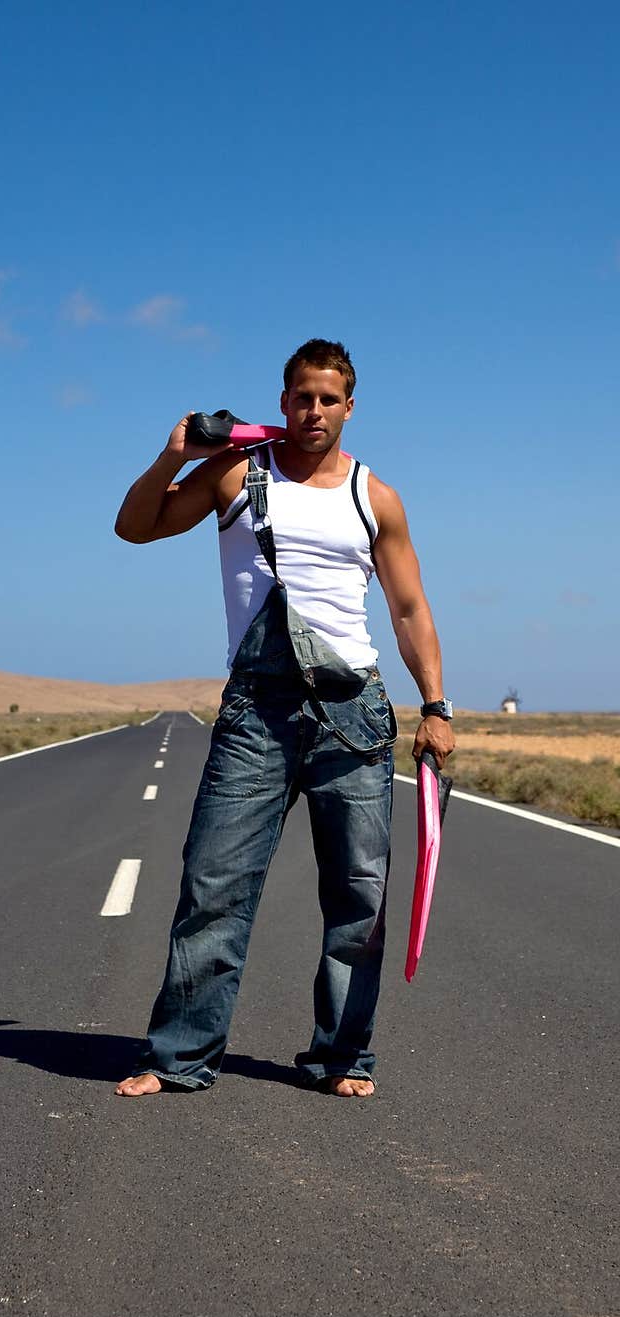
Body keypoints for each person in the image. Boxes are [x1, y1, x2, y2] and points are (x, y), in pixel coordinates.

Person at [113, 339, 454, 1098]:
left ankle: (342, 1057)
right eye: (302, 398)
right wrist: (172, 455)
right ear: (283, 401)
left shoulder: (376, 497)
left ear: (350, 407)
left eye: (329, 400)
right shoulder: (237, 472)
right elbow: (136, 527)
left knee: (357, 900)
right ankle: (178, 1058)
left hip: (353, 715)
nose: (314, 412)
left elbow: (407, 608)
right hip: (256, 715)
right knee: (213, 886)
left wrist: (436, 706)